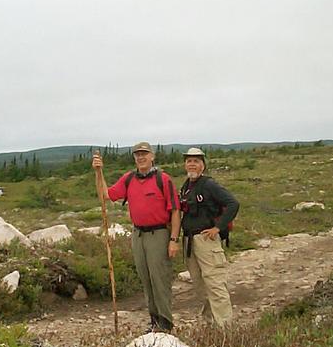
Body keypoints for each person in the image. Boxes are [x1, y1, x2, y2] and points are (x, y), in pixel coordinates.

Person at [93, 141, 181, 332]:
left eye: (144, 154)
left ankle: (165, 322)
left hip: (159, 233)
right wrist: (98, 172)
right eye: (137, 154)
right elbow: (105, 195)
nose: (140, 157)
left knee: (159, 277)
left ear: (152, 156)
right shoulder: (129, 179)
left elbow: (175, 211)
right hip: (138, 234)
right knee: (145, 278)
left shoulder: (163, 179)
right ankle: (154, 320)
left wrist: (174, 240)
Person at [179, 147, 239, 328]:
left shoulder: (209, 185)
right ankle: (210, 325)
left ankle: (225, 329)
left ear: (203, 165)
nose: (192, 164)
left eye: (196, 161)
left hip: (206, 241)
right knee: (200, 286)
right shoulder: (186, 185)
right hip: (190, 241)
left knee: (215, 284)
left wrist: (217, 228)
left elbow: (233, 203)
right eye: (189, 160)